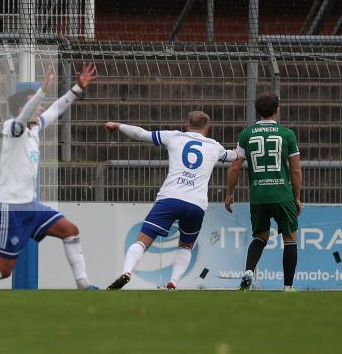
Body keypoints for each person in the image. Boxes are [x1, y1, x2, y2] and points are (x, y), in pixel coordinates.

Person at [0, 63, 98, 290]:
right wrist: (42, 89)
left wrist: (77, 88)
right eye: (35, 102)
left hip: (31, 207)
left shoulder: (34, 128)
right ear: (23, 107)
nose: (41, 106)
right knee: (2, 270)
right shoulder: (13, 128)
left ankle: (84, 285)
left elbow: (56, 109)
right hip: (9, 209)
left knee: (70, 231)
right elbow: (23, 117)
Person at [105, 111, 238, 290]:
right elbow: (233, 156)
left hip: (170, 198)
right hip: (196, 204)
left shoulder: (174, 136)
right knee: (186, 246)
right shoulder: (214, 147)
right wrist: (240, 148)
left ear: (186, 125)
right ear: (207, 129)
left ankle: (127, 271)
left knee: (142, 240)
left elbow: (141, 133)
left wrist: (118, 125)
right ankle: (173, 282)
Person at [225, 93, 302, 291]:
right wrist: (297, 197)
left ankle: (249, 271)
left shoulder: (246, 134)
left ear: (257, 112)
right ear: (277, 110)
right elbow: (295, 170)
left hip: (258, 196)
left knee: (260, 237)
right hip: (282, 195)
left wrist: (229, 193)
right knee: (290, 239)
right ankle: (288, 287)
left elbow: (234, 167)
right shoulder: (287, 134)